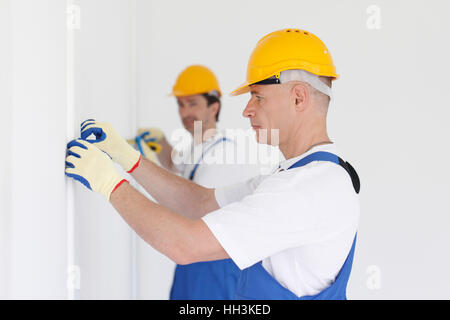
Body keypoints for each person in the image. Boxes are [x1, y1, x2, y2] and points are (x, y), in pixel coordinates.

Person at [65, 28, 360, 300]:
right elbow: (200, 202)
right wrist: (128, 158)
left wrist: (110, 184)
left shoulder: (306, 188)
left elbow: (184, 245)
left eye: (258, 97)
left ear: (298, 98)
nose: (246, 110)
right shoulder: (295, 177)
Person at [130, 65, 262, 299]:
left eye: (192, 104)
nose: (185, 112)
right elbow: (179, 168)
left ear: (214, 107)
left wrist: (139, 164)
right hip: (193, 262)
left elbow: (188, 204)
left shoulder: (223, 154)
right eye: (181, 104)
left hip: (214, 267)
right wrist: (162, 147)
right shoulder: (198, 146)